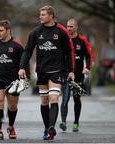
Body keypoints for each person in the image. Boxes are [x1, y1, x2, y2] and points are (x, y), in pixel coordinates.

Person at [18, 5, 75, 140]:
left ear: (51, 16)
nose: (40, 17)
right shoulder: (36, 32)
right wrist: (22, 67)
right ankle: (46, 128)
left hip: (57, 70)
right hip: (42, 71)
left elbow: (69, 51)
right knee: (44, 100)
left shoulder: (61, 31)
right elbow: (28, 51)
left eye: (43, 14)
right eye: (40, 14)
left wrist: (71, 70)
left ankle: (51, 127)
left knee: (53, 98)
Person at [0, 20, 24, 140]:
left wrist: (24, 77)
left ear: (8, 31)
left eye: (1, 30)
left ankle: (11, 126)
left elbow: (24, 63)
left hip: (13, 80)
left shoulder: (17, 45)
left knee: (12, 106)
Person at [59, 18, 94, 132]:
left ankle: (76, 122)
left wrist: (87, 67)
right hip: (66, 73)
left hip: (78, 74)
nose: (69, 29)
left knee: (76, 98)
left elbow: (89, 54)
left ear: (76, 27)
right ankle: (63, 121)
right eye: (67, 26)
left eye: (71, 26)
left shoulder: (82, 40)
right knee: (65, 97)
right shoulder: (63, 39)